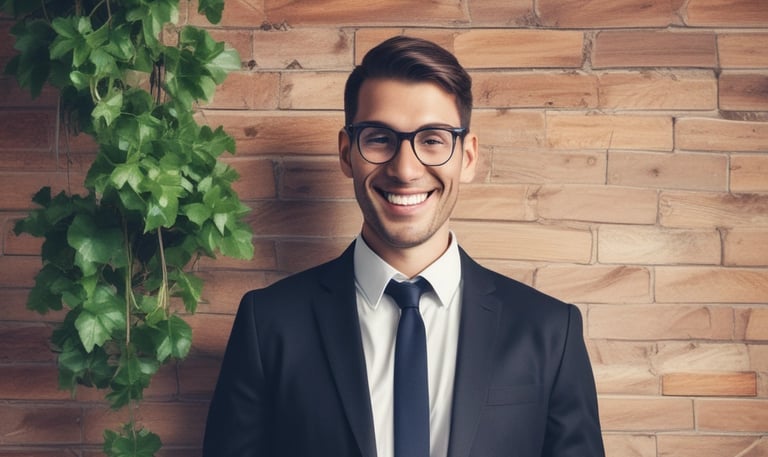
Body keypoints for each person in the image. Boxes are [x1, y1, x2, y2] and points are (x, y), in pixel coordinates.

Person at [202, 35, 605, 457]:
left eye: (432, 139)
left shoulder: (549, 331)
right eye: (379, 138)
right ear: (347, 153)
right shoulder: (268, 324)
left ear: (467, 157)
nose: (406, 169)